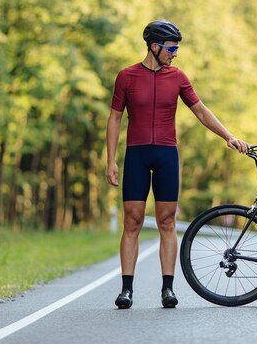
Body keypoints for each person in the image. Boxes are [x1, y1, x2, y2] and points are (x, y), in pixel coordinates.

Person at [106, 20, 249, 309]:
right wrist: (110, 160)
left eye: (177, 49)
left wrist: (227, 136)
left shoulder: (178, 77)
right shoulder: (126, 76)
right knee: (132, 221)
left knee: (167, 221)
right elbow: (115, 118)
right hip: (136, 154)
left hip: (167, 156)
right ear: (154, 46)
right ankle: (126, 290)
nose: (175, 54)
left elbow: (200, 110)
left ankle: (167, 289)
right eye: (171, 48)